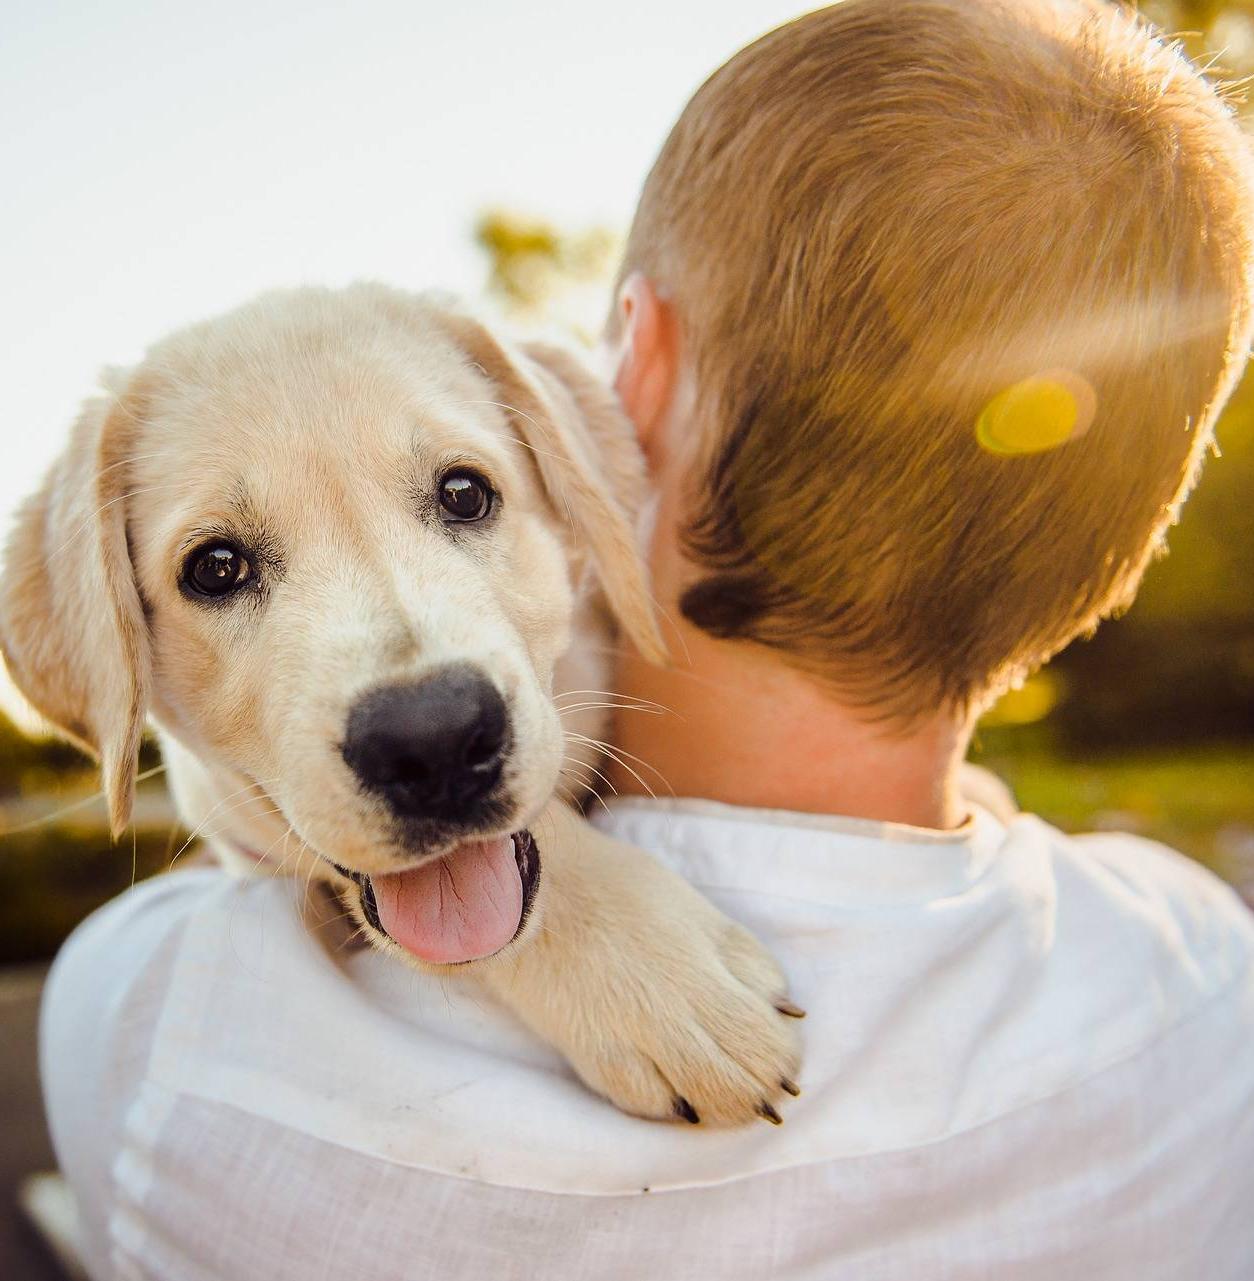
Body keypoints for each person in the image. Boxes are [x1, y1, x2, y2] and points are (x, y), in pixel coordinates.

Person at [39, 1, 1254, 1277]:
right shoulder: (1205, 978)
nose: (414, 697)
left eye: (462, 497)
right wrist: (559, 908)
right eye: (222, 567)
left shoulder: (157, 1027)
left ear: (640, 380)